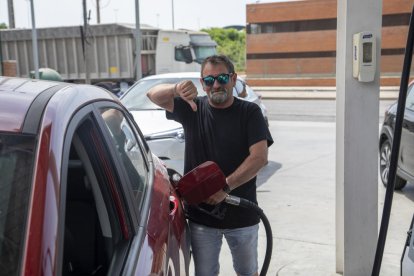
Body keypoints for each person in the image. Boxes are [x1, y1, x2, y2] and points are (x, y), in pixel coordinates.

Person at [147, 55, 273, 276]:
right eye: (209, 80)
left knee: (247, 272)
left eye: (222, 78)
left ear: (233, 79)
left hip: (242, 216)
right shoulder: (192, 109)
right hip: (201, 218)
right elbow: (153, 95)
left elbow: (259, 157)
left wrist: (225, 187)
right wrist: (177, 88)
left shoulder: (249, 113)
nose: (216, 84)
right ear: (202, 84)